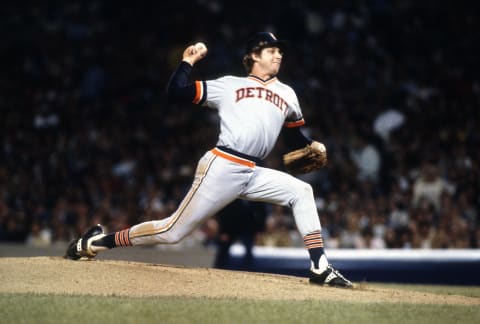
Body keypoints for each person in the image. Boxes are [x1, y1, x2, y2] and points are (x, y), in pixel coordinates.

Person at [64, 32, 353, 288]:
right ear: (253, 55)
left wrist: (312, 145)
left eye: (280, 50)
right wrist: (187, 62)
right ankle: (94, 243)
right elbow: (176, 91)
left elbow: (293, 140)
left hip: (253, 171)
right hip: (223, 164)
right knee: (171, 232)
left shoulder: (287, 94)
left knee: (302, 191)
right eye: (271, 49)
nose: (278, 53)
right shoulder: (229, 85)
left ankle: (320, 267)